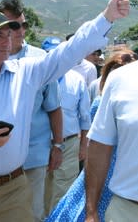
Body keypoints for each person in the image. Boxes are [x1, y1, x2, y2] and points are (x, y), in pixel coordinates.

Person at [0, 0, 129, 222]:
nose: (7, 41)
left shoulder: (26, 73)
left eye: (8, 34)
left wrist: (106, 18)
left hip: (14, 189)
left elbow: (69, 51)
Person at [45, 48, 137, 222]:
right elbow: (98, 140)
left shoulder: (79, 81)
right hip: (115, 178)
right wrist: (91, 210)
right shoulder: (112, 89)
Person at [0, 0, 64, 222]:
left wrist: (57, 145)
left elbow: (54, 107)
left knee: (32, 214)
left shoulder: (40, 59)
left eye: (23, 24)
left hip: (33, 156)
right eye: (14, 25)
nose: (21, 30)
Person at [41, 37, 91, 215]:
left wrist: (84, 146)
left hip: (69, 144)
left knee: (63, 190)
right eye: (49, 53)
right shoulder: (37, 79)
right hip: (40, 143)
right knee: (40, 191)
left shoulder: (76, 80)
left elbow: (85, 117)